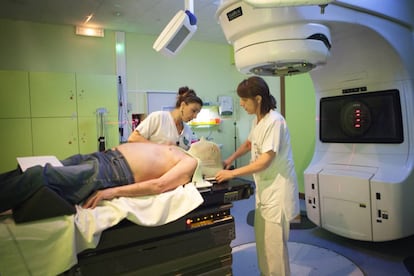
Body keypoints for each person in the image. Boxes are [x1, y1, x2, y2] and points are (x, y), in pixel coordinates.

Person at [215, 76, 300, 276]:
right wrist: (229, 159)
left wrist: (232, 172)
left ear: (258, 98)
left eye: (245, 100)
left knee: (275, 247)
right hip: (264, 189)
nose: (242, 104)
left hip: (278, 190)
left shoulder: (275, 121)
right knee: (262, 240)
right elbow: (248, 144)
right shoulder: (258, 120)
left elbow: (265, 161)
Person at [0, 142, 201, 213]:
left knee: (42, 175)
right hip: (103, 158)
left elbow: (159, 185)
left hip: (112, 173)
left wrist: (110, 192)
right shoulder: (180, 149)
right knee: (30, 169)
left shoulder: (190, 163)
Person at [128, 86, 203, 150]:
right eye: (193, 111)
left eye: (197, 113)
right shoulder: (159, 118)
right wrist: (161, 148)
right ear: (183, 105)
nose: (195, 116)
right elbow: (133, 138)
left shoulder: (187, 131)